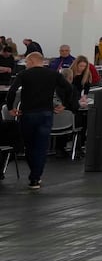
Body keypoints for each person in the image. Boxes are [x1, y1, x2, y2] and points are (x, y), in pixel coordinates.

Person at [7, 53, 73, 190]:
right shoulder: (53, 74)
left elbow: (12, 91)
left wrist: (10, 108)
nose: (26, 64)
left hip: (28, 114)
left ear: (31, 61)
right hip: (46, 114)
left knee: (29, 146)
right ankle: (35, 177)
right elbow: (69, 88)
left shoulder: (23, 75)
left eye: (26, 61)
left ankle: (34, 174)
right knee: (41, 147)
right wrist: (65, 104)